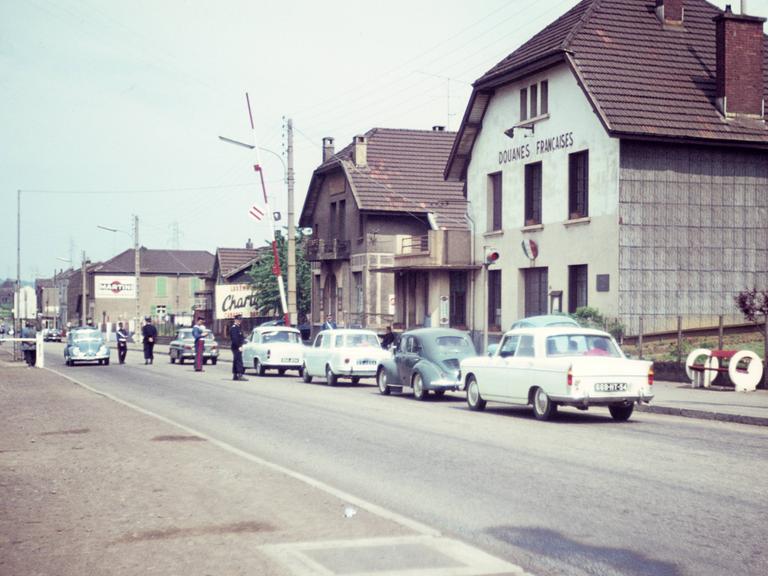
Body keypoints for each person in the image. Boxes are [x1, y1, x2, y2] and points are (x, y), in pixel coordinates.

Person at [230, 314, 248, 381]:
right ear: (235, 320)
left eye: (240, 320)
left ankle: (235, 375)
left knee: (236, 361)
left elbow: (241, 337)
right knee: (239, 361)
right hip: (236, 347)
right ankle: (240, 375)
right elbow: (235, 339)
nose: (239, 321)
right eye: (238, 320)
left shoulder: (238, 327)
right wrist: (239, 346)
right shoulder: (234, 328)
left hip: (237, 346)